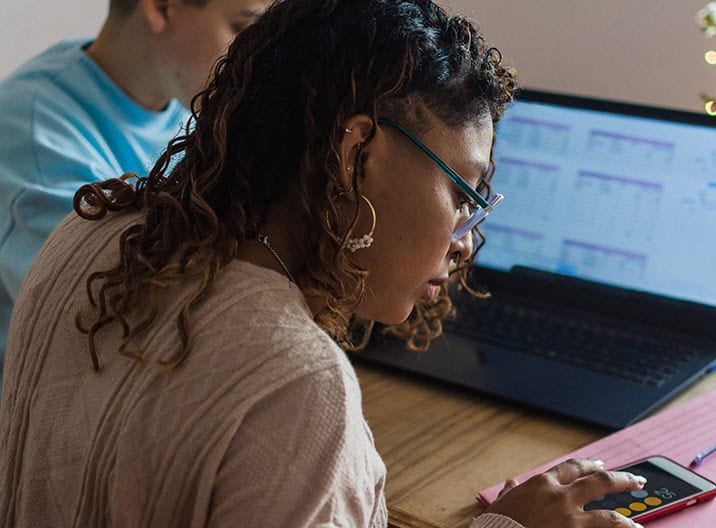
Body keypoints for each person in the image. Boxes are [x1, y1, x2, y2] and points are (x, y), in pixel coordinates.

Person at [0, 1, 648, 526]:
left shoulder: (91, 235)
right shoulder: (297, 386)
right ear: (356, 151)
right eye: (464, 194)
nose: (467, 239)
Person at [0, 0, 273, 384]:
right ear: (161, 7)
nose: (261, 59)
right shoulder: (34, 139)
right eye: (243, 30)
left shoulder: (182, 95)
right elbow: (115, 321)